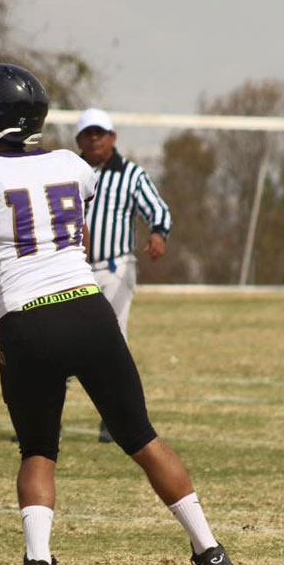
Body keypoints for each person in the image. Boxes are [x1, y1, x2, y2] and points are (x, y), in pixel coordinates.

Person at [0, 63, 236, 565]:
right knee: (141, 437)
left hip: (29, 320)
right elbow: (80, 244)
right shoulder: (71, 165)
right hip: (89, 308)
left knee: (38, 448)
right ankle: (211, 553)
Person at [76, 108, 172, 442]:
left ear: (113, 138)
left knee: (113, 341)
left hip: (115, 266)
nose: (94, 139)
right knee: (59, 342)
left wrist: (158, 233)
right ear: (79, 139)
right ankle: (43, 421)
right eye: (88, 134)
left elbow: (157, 209)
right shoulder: (69, 172)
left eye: (100, 133)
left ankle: (114, 421)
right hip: (74, 268)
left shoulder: (131, 174)